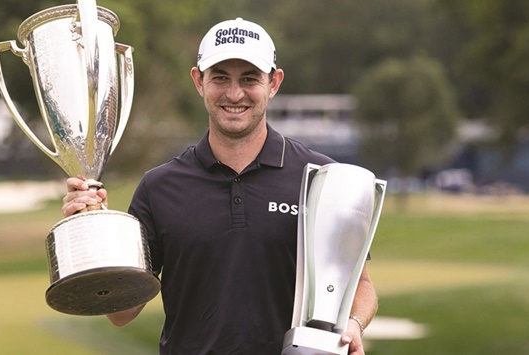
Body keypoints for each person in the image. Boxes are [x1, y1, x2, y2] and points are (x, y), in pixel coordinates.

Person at [62, 17, 377, 355]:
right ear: (199, 81)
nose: (234, 93)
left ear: (274, 83)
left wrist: (353, 324)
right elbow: (121, 312)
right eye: (220, 77)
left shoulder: (321, 178)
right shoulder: (159, 187)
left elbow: (361, 285)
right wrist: (93, 230)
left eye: (250, 79)